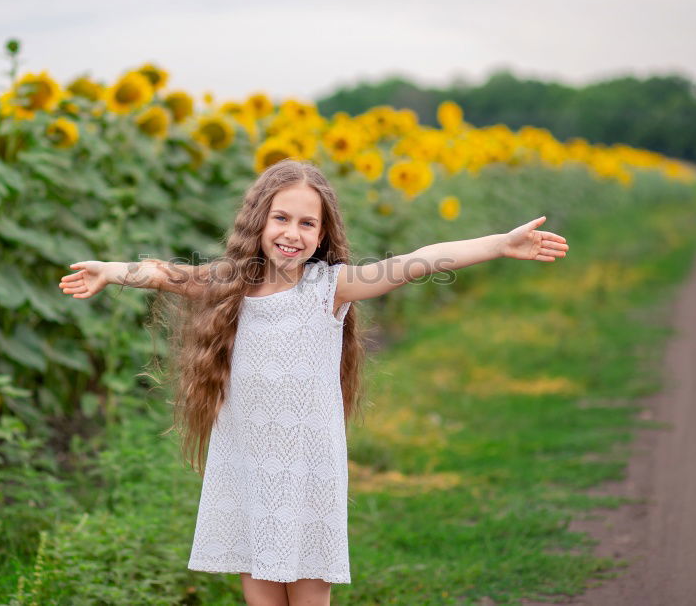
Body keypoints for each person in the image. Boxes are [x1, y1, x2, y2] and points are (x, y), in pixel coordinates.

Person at [58, 158, 568, 606]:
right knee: (259, 585)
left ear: (322, 236)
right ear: (259, 222)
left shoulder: (332, 288)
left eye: (307, 223)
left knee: (307, 588)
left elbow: (420, 261)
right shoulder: (230, 285)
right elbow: (165, 274)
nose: (292, 233)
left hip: (307, 465)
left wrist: (501, 243)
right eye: (281, 218)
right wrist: (112, 269)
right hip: (248, 459)